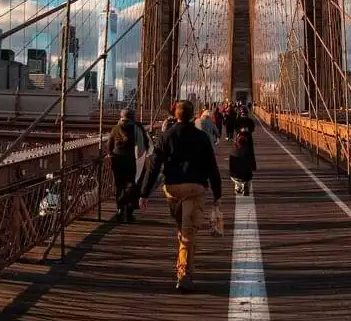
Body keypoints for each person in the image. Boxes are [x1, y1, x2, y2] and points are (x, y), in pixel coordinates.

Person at [138, 100, 222, 292]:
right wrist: (217, 194)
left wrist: (144, 193)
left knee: (182, 230)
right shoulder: (201, 137)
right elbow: (212, 167)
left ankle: (184, 265)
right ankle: (184, 274)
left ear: (176, 115)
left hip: (173, 188)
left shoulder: (166, 135)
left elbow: (153, 167)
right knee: (188, 233)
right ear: (194, 116)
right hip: (195, 188)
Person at [106, 107, 148, 222]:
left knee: (119, 185)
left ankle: (120, 210)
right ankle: (129, 211)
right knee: (131, 184)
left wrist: (110, 154)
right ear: (132, 117)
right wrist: (140, 157)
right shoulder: (136, 127)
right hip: (130, 159)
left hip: (117, 159)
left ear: (121, 116)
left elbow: (109, 143)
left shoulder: (115, 128)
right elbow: (141, 145)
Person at [229, 115, 257, 196]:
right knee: (248, 171)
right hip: (246, 176)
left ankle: (238, 188)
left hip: (235, 176)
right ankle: (246, 187)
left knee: (236, 173)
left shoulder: (233, 152)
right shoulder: (248, 151)